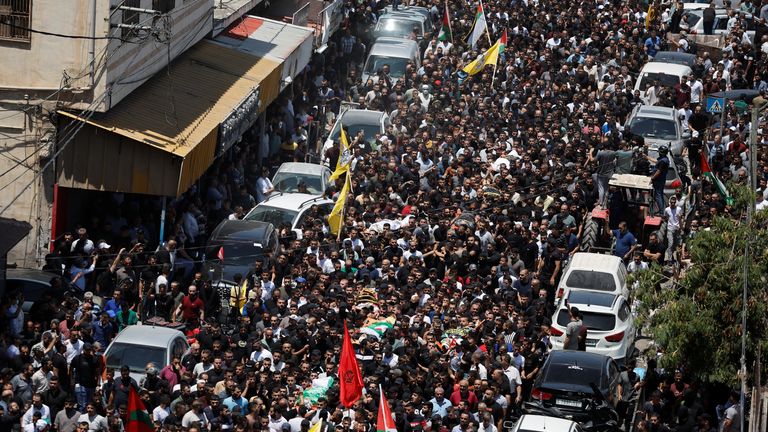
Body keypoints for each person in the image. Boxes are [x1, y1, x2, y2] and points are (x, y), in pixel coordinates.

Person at [646, 146, 671, 215]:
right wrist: (647, 157)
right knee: (658, 195)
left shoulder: (663, 161)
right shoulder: (664, 159)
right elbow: (657, 161)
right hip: (660, 180)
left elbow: (658, 171)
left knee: (658, 195)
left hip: (659, 180)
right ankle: (661, 210)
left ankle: (661, 212)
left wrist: (652, 178)